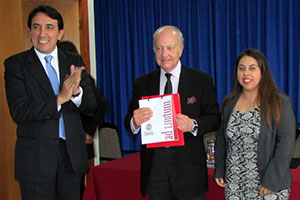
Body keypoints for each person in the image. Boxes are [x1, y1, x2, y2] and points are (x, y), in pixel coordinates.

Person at [4, 5, 97, 200]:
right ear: (29, 32)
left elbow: (91, 105)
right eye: (36, 27)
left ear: (60, 33)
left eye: (49, 27)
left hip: (71, 158)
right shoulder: (16, 64)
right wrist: (60, 98)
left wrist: (77, 92)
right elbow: (19, 111)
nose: (42, 33)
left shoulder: (73, 60)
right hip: (35, 161)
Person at [124, 25, 221, 200]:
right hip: (155, 167)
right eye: (159, 48)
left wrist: (193, 124)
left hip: (189, 169)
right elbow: (128, 120)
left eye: (170, 48)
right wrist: (134, 121)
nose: (164, 54)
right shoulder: (143, 83)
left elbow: (215, 118)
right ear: (154, 51)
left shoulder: (201, 81)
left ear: (181, 49)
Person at [214, 48, 296, 199]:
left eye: (252, 68)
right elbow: (221, 139)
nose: (246, 73)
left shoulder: (279, 103)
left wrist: (272, 180)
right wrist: (219, 168)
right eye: (241, 68)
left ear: (262, 72)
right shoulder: (229, 103)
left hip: (268, 185)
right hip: (235, 185)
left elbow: (286, 143)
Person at [58, 40, 107, 199]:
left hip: (78, 142)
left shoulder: (84, 80)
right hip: (52, 149)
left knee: (77, 188)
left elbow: (100, 106)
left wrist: (89, 131)